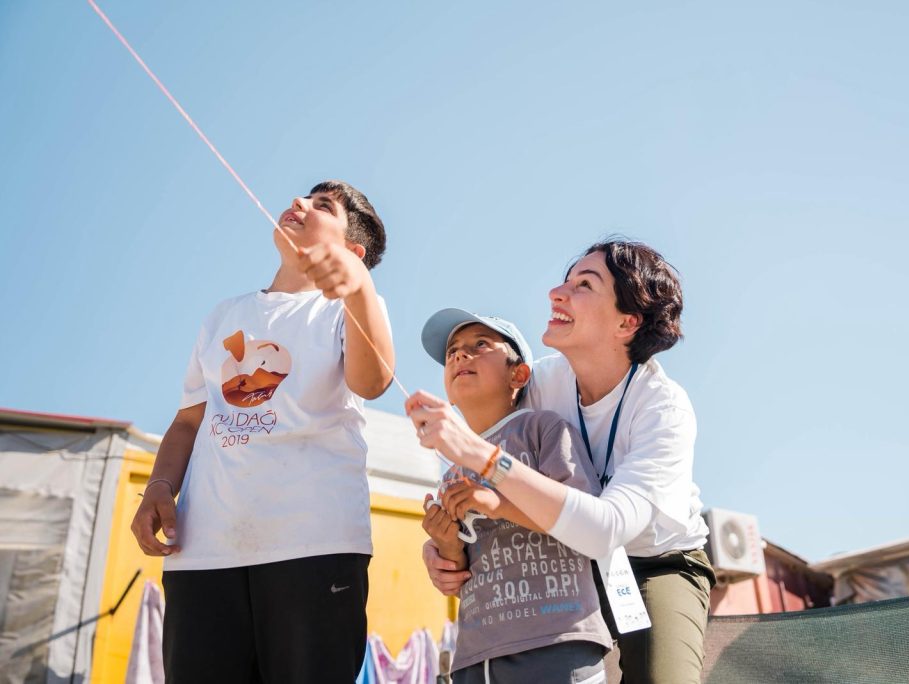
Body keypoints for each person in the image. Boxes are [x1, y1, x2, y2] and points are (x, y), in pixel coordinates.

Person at [411, 239, 715, 684]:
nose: (557, 292)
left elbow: (604, 530)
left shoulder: (663, 409)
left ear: (627, 322)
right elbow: (482, 485)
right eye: (566, 280)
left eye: (584, 285)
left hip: (655, 561)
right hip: (563, 561)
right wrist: (442, 549)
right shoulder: (538, 384)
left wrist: (481, 455)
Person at [130, 180, 394, 683]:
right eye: (302, 196)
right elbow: (189, 419)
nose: (299, 204)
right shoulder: (223, 317)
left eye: (323, 207)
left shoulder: (352, 309)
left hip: (315, 549)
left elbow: (373, 380)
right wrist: (160, 487)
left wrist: (359, 287)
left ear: (353, 252)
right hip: (203, 553)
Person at [419, 309, 611, 684]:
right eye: (452, 352)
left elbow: (584, 523)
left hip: (558, 643)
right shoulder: (450, 471)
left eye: (480, 345)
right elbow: (459, 574)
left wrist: (495, 503)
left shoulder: (544, 429)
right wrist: (445, 542)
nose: (460, 355)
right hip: (475, 657)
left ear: (518, 374)